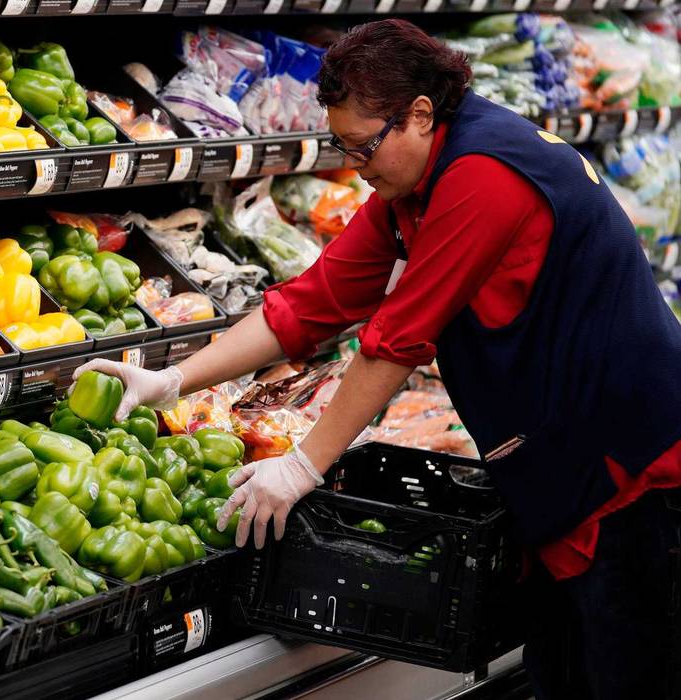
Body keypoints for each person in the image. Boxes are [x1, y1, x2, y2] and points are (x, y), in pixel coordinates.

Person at [74, 19, 681, 700]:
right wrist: (171, 379)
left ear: (419, 115)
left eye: (363, 147)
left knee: (628, 675)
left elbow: (394, 341)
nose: (356, 166)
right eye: (342, 147)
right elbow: (311, 301)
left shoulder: (484, 177)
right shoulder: (416, 179)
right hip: (560, 467)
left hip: (630, 471)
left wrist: (303, 467)